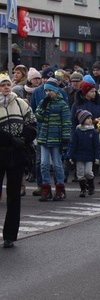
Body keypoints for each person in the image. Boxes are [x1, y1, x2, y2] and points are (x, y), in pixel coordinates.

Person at [0, 74, 36, 248]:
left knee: (14, 197)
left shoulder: (21, 103)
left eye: (8, 84)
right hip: (1, 153)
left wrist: (24, 138)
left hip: (18, 155)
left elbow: (32, 123)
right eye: (3, 85)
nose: (6, 87)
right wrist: (9, 139)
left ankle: (10, 235)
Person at [35, 80, 71, 201]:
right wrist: (42, 107)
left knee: (57, 164)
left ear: (55, 91)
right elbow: (38, 118)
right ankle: (46, 188)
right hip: (44, 138)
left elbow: (66, 122)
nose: (48, 92)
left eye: (50, 90)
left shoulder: (62, 104)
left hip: (57, 138)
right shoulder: (43, 102)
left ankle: (60, 188)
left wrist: (66, 137)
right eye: (46, 90)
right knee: (44, 164)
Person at [68, 110, 100, 197]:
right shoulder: (77, 131)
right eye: (88, 118)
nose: (90, 120)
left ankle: (91, 185)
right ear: (82, 120)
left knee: (88, 172)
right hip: (79, 156)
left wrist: (97, 157)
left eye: (90, 118)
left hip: (90, 156)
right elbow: (73, 144)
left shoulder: (93, 132)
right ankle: (82, 189)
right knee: (80, 174)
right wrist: (71, 156)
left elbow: (97, 145)